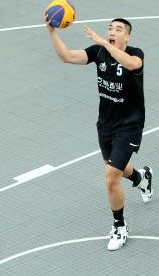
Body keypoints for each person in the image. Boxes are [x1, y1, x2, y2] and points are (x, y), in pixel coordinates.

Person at [48, 18, 153, 251]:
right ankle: (141, 178)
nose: (112, 31)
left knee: (111, 177)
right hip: (106, 125)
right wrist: (52, 32)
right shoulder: (99, 52)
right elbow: (67, 57)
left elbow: (131, 64)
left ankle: (120, 227)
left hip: (130, 126)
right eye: (110, 28)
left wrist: (104, 43)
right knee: (115, 168)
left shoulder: (135, 54)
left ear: (127, 37)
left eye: (118, 29)